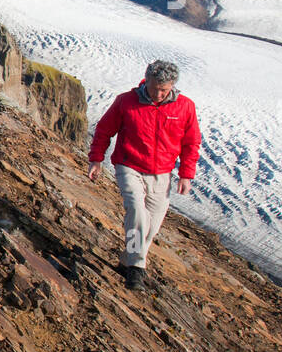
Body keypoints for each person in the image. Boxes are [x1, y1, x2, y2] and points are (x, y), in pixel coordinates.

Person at [86, 60, 202, 290]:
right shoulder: (126, 102)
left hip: (162, 173)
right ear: (146, 81)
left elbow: (191, 142)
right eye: (154, 88)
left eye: (164, 89)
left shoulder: (185, 107)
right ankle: (137, 268)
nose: (158, 94)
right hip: (129, 165)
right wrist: (96, 159)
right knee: (137, 212)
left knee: (151, 226)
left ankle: (127, 259)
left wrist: (186, 174)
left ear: (172, 86)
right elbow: (104, 130)